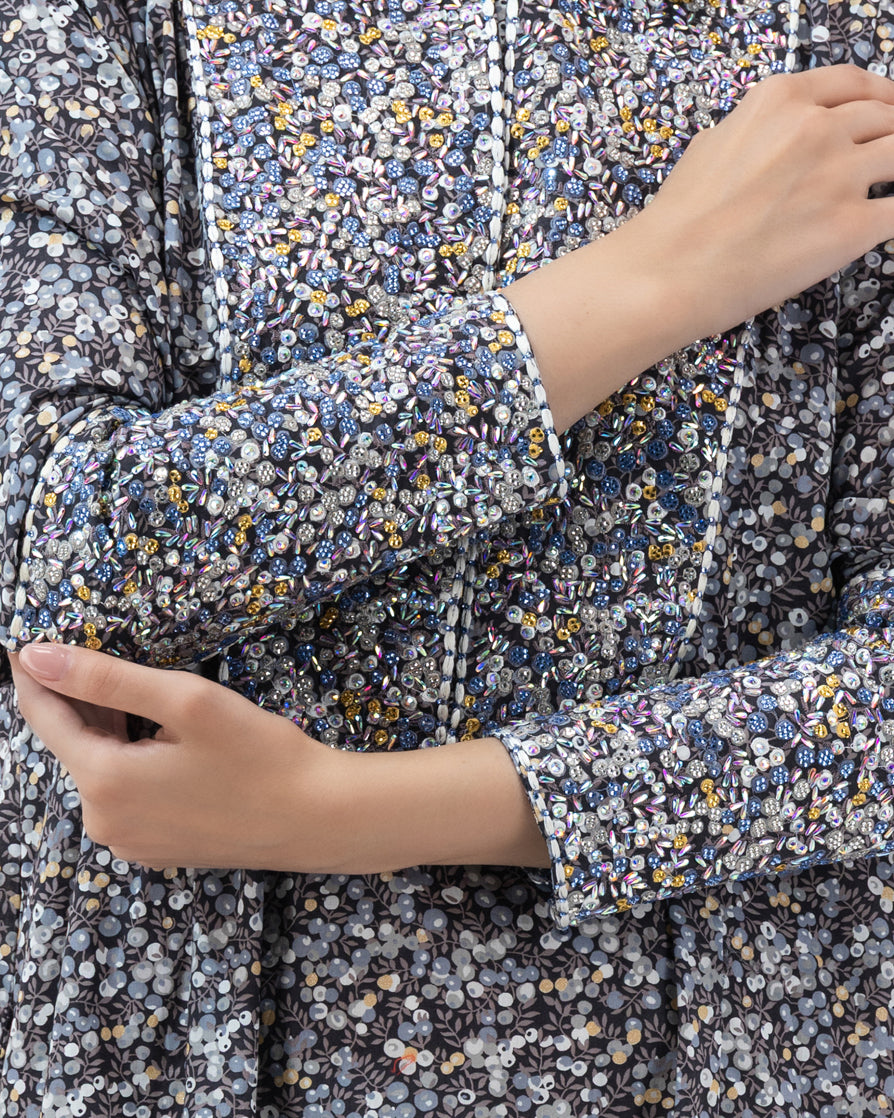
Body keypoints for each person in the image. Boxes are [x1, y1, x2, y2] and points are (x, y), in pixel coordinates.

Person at [2, 0, 894, 1113]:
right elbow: (63, 560)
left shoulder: (842, 37)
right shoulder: (111, 26)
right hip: (184, 1033)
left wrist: (349, 811)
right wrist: (650, 279)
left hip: (733, 1040)